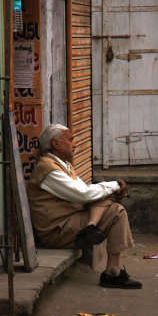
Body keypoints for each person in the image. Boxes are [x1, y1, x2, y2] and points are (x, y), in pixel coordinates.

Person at [27, 124, 142, 289]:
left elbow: (87, 193)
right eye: (70, 140)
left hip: (69, 223)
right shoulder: (49, 170)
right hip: (56, 231)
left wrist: (110, 188)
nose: (74, 144)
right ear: (56, 144)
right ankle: (112, 271)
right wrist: (115, 185)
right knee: (113, 207)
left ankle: (92, 229)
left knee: (106, 198)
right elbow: (84, 194)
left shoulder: (64, 166)